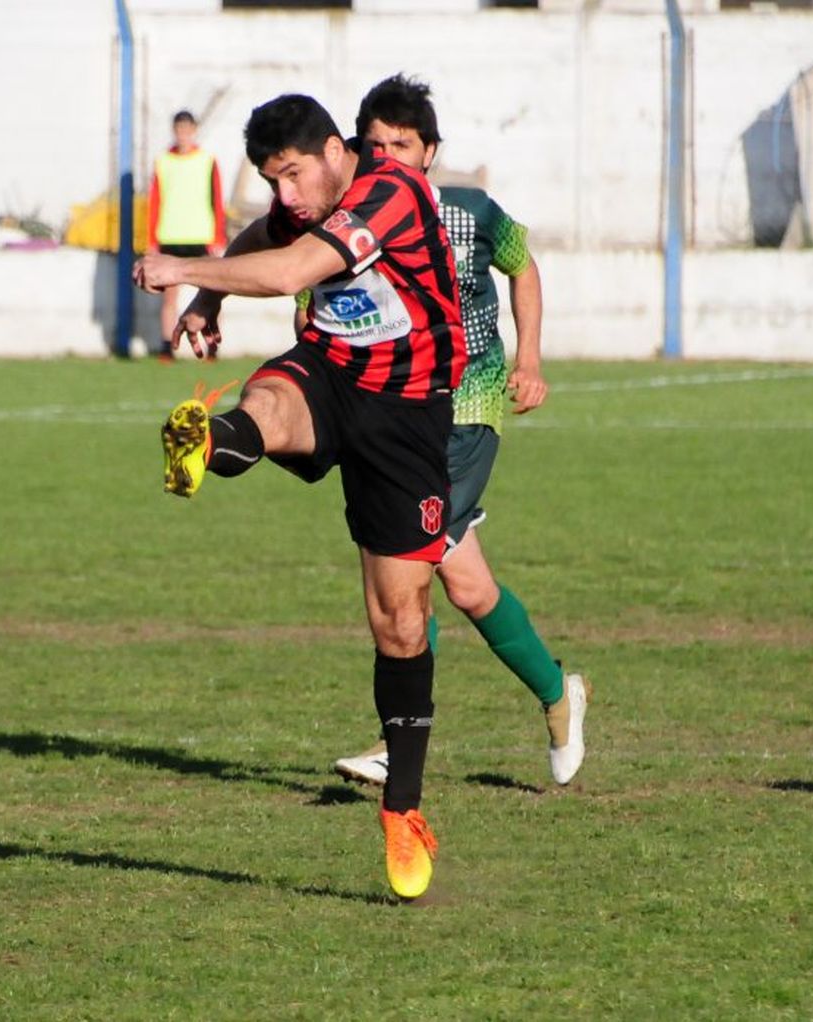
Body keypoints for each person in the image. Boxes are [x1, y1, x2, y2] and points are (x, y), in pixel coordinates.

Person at [135, 94, 463, 901]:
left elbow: (289, 269)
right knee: (266, 409)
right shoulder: (301, 200)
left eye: (292, 175)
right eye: (271, 180)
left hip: (406, 415)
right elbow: (268, 238)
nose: (285, 196)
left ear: (331, 149)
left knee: (401, 620)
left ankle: (403, 809)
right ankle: (207, 441)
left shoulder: (391, 190)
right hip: (327, 372)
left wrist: (184, 274)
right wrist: (210, 300)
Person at [330, 74, 589, 790]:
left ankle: (398, 742)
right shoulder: (344, 223)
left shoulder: (467, 211)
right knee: (468, 586)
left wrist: (529, 357)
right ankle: (558, 692)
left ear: (430, 150)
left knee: (411, 557)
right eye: (374, 145)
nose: (387, 157)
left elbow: (522, 264)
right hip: (396, 412)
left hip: (469, 402)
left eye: (402, 146)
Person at [146, 109, 228, 361]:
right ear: (174, 131)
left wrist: (218, 237)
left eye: (187, 130)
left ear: (193, 131)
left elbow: (216, 198)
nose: (183, 135)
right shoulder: (163, 161)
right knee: (170, 298)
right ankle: (166, 346)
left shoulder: (206, 159)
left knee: (211, 291)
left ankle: (212, 344)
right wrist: (151, 240)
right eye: (178, 130)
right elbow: (154, 201)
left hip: (200, 235)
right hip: (171, 236)